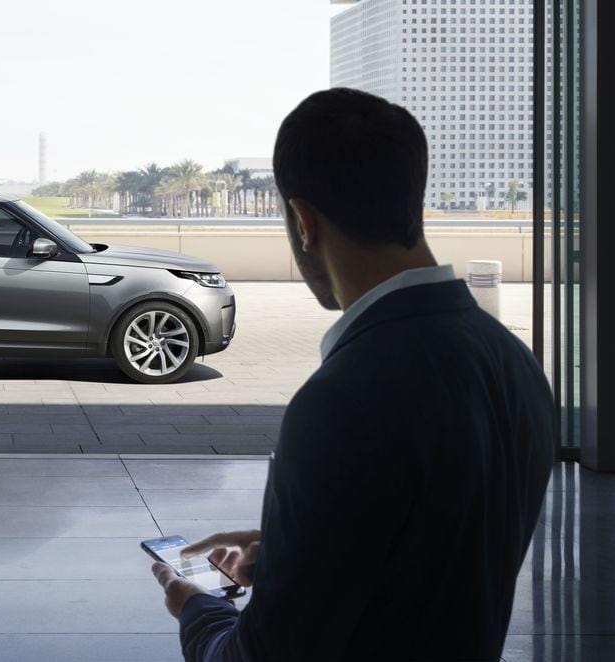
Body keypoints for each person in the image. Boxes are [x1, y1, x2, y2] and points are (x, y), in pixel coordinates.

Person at [150, 88, 555, 661]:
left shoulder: (341, 401)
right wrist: (294, 554)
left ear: (302, 221)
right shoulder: (514, 363)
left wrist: (197, 608)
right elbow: (439, 556)